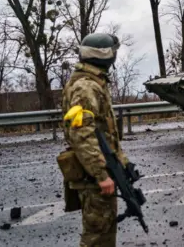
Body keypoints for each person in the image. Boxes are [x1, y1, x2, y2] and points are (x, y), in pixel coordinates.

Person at [60, 33, 127, 247]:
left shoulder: (92, 82)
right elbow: (82, 134)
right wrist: (101, 175)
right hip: (94, 175)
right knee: (96, 237)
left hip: (99, 169)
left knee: (104, 233)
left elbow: (102, 132)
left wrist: (121, 164)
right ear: (106, 56)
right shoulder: (86, 87)